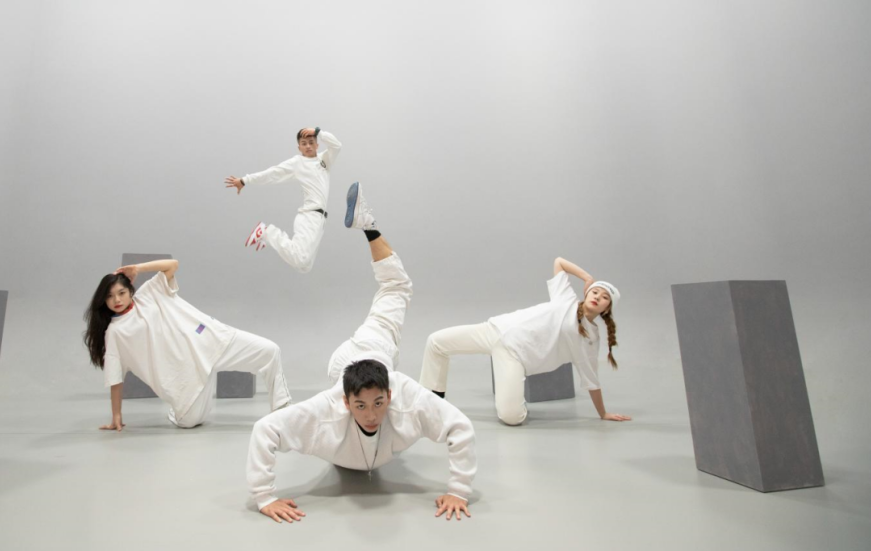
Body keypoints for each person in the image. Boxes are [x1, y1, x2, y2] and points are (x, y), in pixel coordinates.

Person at [246, 183, 476, 523]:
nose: (371, 414)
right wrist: (264, 497)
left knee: (397, 289)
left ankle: (367, 223)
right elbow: (265, 430)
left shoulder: (406, 395)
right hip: (358, 354)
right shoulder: (326, 410)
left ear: (390, 395)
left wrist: (458, 491)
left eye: (379, 403)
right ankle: (367, 223)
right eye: (361, 406)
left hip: (374, 355)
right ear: (345, 402)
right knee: (397, 287)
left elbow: (461, 427)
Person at [83, 257, 292, 430]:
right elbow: (115, 377)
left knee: (270, 351)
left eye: (121, 293)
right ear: (103, 301)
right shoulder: (115, 333)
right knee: (190, 422)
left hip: (212, 341)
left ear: (130, 290)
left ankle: (282, 413)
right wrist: (116, 416)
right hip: (188, 379)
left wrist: (137, 268)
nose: (117, 300)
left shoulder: (149, 293)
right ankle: (177, 412)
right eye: (110, 296)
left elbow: (172, 264)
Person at [419, 257, 629, 425]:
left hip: (514, 357)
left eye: (604, 297)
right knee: (436, 342)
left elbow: (592, 379)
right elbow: (559, 262)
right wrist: (587, 277)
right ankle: (430, 400)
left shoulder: (590, 338)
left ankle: (511, 392)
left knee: (512, 418)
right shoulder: (566, 298)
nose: (597, 297)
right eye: (595, 292)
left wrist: (603, 413)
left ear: (607, 309)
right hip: (494, 330)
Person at [224, 127, 342, 273]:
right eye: (304, 143)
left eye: (311, 142)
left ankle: (267, 238)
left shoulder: (324, 160)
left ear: (317, 145)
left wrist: (318, 131)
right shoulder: (297, 163)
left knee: (305, 267)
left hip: (321, 220)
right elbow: (272, 173)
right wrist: (245, 180)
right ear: (299, 147)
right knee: (300, 259)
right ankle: (266, 232)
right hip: (309, 215)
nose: (308, 146)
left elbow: (337, 145)